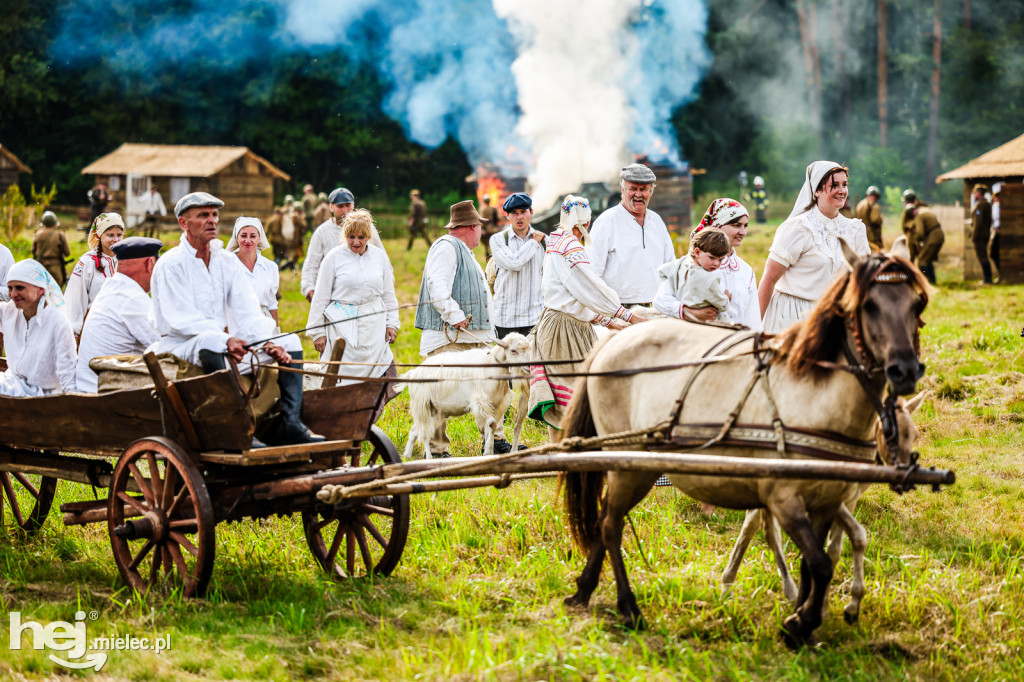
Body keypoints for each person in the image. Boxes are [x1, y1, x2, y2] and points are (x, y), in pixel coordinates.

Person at [147, 192, 322, 446]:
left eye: (214, 215)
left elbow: (248, 312)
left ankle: (290, 423)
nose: (212, 221)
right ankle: (234, 427)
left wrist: (266, 342)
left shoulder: (226, 261)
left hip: (222, 348)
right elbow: (179, 318)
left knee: (291, 342)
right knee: (210, 339)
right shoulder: (171, 264)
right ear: (184, 223)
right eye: (203, 215)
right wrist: (226, 339)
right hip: (181, 345)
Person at [528, 195, 641, 439]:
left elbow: (574, 296)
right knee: (575, 392)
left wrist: (608, 322)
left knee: (578, 390)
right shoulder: (570, 247)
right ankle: (568, 454)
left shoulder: (555, 241)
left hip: (562, 323)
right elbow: (590, 289)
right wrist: (627, 316)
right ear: (585, 224)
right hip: (564, 330)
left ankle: (567, 452)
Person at [415, 200, 510, 455]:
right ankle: (435, 448)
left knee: (490, 387)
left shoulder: (463, 251)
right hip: (450, 337)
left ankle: (496, 440)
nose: (481, 231)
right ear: (471, 227)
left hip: (471, 337)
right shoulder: (446, 248)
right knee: (439, 393)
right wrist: (454, 315)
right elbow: (437, 285)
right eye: (479, 226)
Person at [757, 161, 870, 333]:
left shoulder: (855, 230)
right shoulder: (798, 228)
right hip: (791, 317)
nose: (842, 191)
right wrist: (754, 326)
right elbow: (769, 278)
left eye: (844, 185)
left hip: (834, 317)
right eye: (834, 185)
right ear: (817, 190)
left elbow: (864, 280)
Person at [307, 209, 400, 417]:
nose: (356, 242)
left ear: (369, 236)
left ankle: (366, 419)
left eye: (361, 237)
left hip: (374, 327)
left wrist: (392, 323)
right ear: (344, 235)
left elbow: (388, 293)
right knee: (342, 378)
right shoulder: (333, 258)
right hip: (342, 328)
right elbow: (320, 297)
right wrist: (317, 332)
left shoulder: (379, 257)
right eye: (351, 237)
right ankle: (341, 420)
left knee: (375, 377)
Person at [654, 198, 760, 329]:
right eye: (736, 225)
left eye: (745, 226)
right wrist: (688, 312)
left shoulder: (746, 271)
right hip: (699, 342)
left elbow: (752, 318)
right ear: (717, 225)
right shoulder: (690, 265)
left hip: (733, 344)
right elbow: (660, 301)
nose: (742, 232)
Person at [75, 237, 162, 393]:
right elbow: (164, 346)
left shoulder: (112, 289)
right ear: (150, 264)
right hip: (107, 398)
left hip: (88, 390)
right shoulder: (131, 298)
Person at [588, 162, 675, 306]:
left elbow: (670, 265)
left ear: (652, 190)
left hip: (657, 306)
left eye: (644, 189)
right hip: (619, 308)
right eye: (633, 189)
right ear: (623, 189)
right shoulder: (606, 221)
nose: (638, 194)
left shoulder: (656, 221)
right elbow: (592, 272)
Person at [0, 259, 77, 396]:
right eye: (10, 288)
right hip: (11, 384)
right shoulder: (9, 311)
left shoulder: (57, 322)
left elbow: (67, 372)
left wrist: (73, 405)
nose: (12, 295)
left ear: (40, 289)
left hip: (40, 397)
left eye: (19, 288)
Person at [301, 187, 384, 302]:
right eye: (340, 206)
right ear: (331, 207)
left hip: (365, 294)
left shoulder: (368, 228)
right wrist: (309, 287)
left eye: (347, 205)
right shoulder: (322, 232)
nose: (345, 210)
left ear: (353, 205)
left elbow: (382, 259)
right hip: (334, 294)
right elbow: (311, 263)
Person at [489, 192, 544, 339]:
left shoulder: (545, 242)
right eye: (514, 213)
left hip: (535, 318)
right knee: (506, 362)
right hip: (505, 319)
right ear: (507, 215)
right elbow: (514, 263)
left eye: (523, 212)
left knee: (534, 362)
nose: (519, 217)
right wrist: (533, 242)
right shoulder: (498, 240)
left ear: (531, 213)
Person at [64, 212, 125, 338]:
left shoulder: (126, 260)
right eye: (110, 235)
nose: (116, 239)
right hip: (93, 331)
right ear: (99, 236)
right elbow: (75, 299)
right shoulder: (87, 262)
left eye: (119, 235)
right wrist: (74, 333)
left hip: (121, 330)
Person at [656, 229, 732, 322]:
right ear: (697, 252)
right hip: (705, 322)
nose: (716, 263)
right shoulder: (709, 279)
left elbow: (663, 271)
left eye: (721, 259)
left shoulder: (679, 265)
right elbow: (721, 304)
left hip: (680, 321)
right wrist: (726, 299)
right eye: (712, 258)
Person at [226, 216, 282, 326]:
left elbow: (272, 304)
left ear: (259, 239)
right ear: (237, 238)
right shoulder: (227, 264)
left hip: (263, 323)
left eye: (253, 236)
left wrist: (275, 333)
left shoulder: (270, 267)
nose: (248, 240)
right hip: (235, 322)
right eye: (243, 236)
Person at [905, 202, 943, 285]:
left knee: (922, 260)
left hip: (933, 237)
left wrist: (917, 240)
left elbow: (920, 233)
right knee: (927, 259)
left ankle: (926, 282)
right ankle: (932, 280)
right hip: (939, 235)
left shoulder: (918, 217)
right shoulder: (924, 213)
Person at [32, 210, 71, 287]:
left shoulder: (37, 234)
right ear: (55, 223)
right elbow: (67, 253)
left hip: (41, 268)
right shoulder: (60, 235)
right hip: (56, 269)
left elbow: (33, 251)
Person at [970, 183, 994, 284]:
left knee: (982, 256)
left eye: (975, 193)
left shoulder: (981, 204)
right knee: (983, 255)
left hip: (980, 235)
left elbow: (978, 223)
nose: (974, 194)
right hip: (984, 234)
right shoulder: (986, 204)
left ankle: (987, 279)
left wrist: (974, 236)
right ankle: (987, 278)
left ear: (979, 193)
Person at [899, 189, 929, 262]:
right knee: (920, 258)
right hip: (919, 236)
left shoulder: (909, 209)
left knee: (913, 258)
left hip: (913, 236)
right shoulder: (921, 207)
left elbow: (903, 225)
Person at [855, 185, 884, 251]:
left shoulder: (860, 204)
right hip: (872, 233)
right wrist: (881, 219)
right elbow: (875, 220)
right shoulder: (874, 205)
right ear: (876, 196)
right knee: (875, 251)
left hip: (860, 232)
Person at [479, 194, 502, 259]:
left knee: (486, 242)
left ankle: (487, 252)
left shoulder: (483, 210)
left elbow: (482, 219)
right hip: (494, 228)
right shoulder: (494, 209)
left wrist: (482, 228)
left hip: (486, 229)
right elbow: (499, 218)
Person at [991, 182, 1002, 281]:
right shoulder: (995, 205)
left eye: (998, 196)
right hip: (996, 232)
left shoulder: (999, 206)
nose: (996, 198)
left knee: (994, 253)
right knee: (993, 253)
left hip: (1000, 233)